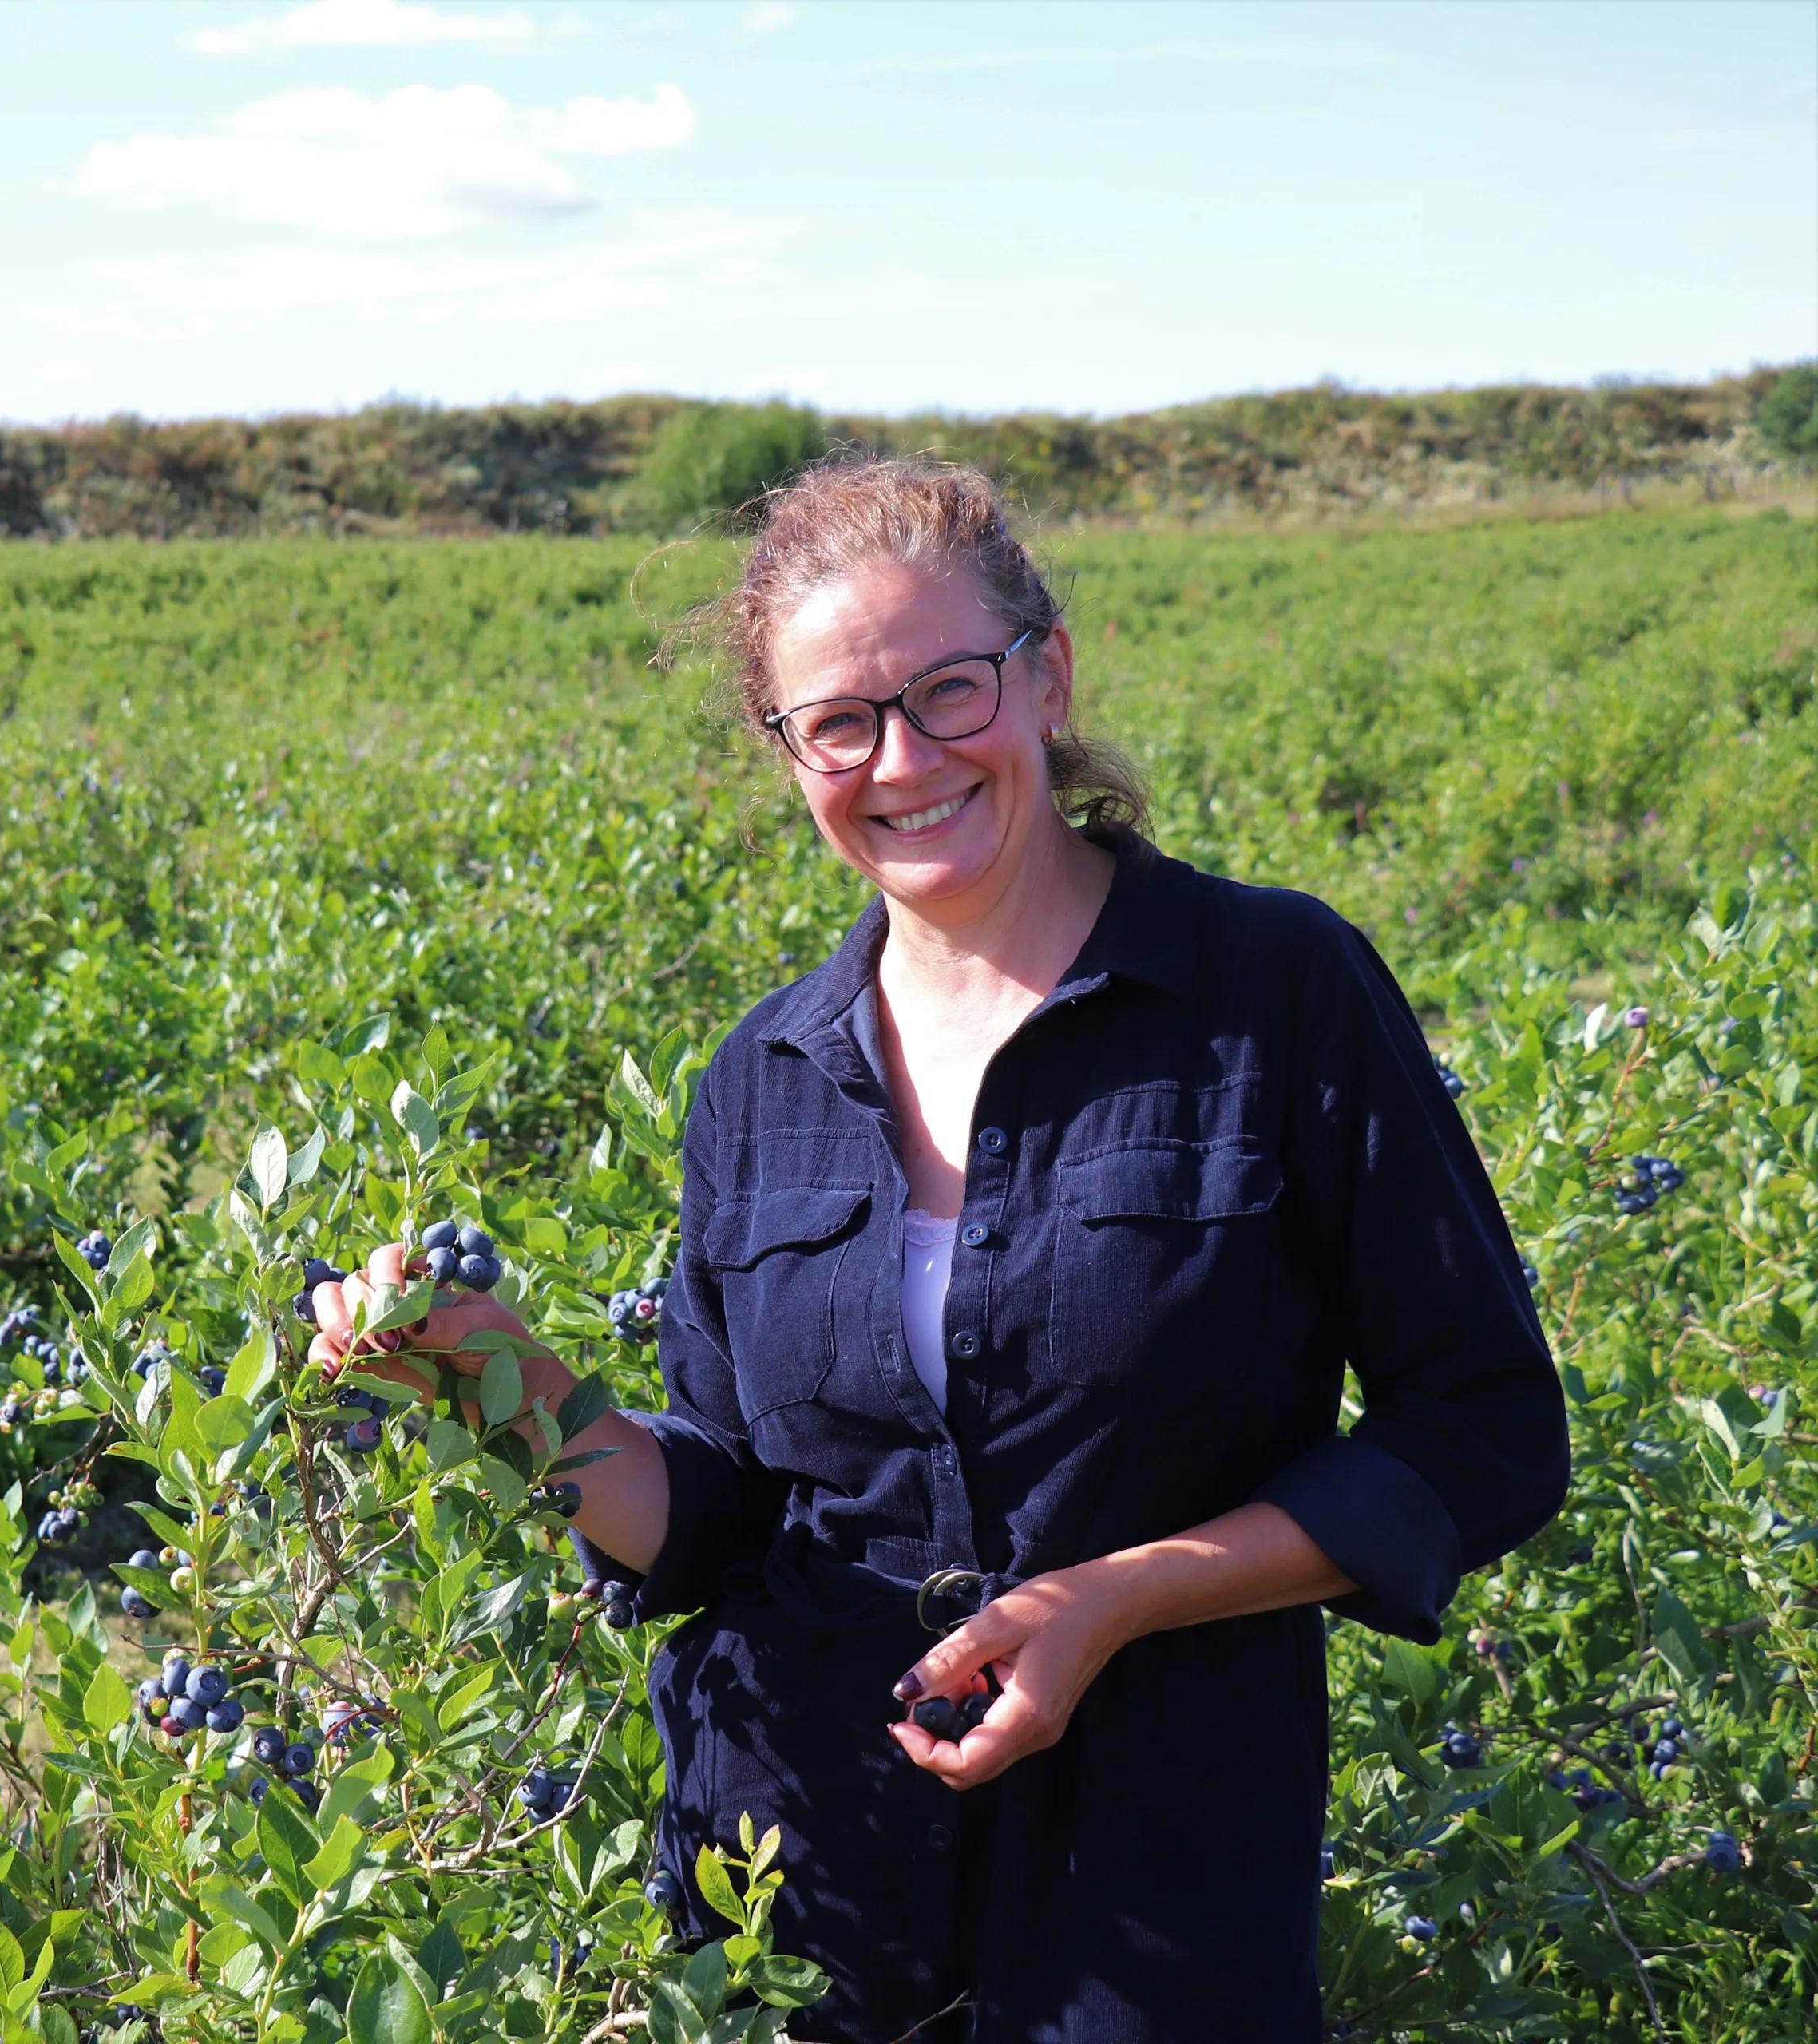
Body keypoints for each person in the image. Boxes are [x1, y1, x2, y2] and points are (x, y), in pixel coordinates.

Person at [311, 454, 1566, 2042]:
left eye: (949, 689)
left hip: (1160, 1871)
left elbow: (1486, 1432)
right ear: (789, 752)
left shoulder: (1272, 988)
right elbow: (716, 1517)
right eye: (841, 720)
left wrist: (1118, 1593)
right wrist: (495, 1375)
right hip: (801, 1875)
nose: (902, 759)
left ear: (1047, 676)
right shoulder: (760, 1077)